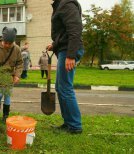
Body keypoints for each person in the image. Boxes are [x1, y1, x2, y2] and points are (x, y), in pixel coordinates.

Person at [47, 0, 84, 134]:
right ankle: (68, 123)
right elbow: (64, 32)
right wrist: (54, 44)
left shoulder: (66, 4)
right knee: (60, 87)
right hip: (64, 48)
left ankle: (75, 126)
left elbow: (75, 29)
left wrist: (71, 55)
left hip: (68, 50)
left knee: (65, 88)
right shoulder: (60, 5)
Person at [0, 27, 23, 122]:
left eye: (9, 43)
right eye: (5, 42)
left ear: (13, 42)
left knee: (7, 95)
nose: (7, 45)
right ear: (2, 40)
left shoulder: (17, 49)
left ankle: (5, 115)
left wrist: (17, 75)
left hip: (10, 76)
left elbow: (20, 63)